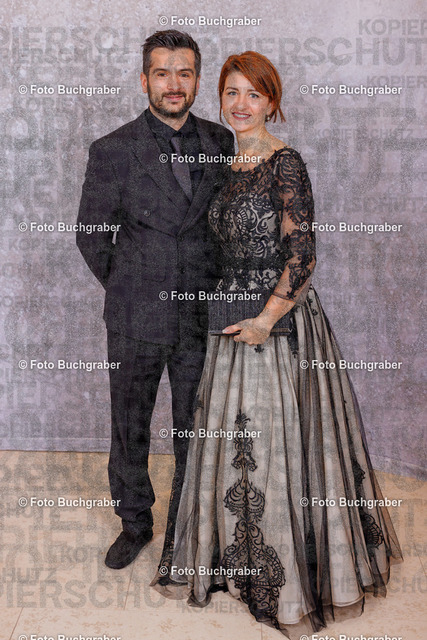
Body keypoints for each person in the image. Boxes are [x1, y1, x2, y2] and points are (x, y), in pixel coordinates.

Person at [151, 51, 403, 638]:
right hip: (227, 322)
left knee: (275, 443)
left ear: (272, 102)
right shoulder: (222, 160)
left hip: (277, 322)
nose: (241, 104)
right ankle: (234, 560)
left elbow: (303, 255)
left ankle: (283, 576)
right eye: (231, 92)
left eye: (254, 94)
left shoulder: (285, 163)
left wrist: (266, 319)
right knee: (234, 442)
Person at [76, 30, 234, 570]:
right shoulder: (112, 149)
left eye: (184, 73)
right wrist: (131, 286)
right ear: (144, 80)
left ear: (197, 81)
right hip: (134, 314)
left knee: (196, 427)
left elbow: (224, 227)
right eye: (162, 73)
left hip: (201, 315)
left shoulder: (221, 141)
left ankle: (187, 528)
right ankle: (135, 523)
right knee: (130, 425)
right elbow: (91, 235)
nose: (174, 84)